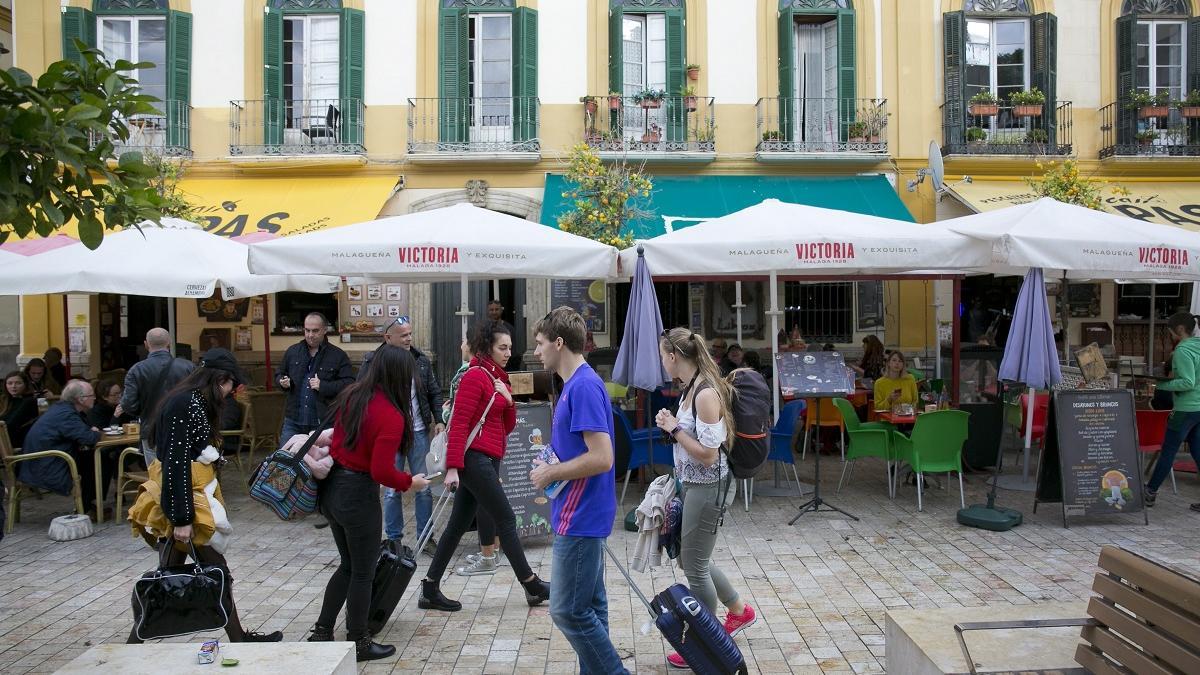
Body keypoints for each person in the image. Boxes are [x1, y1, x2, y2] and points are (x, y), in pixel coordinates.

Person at [128, 355, 282, 645]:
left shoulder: (191, 400)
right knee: (218, 572)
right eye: (230, 386)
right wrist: (182, 519)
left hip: (188, 498)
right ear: (218, 380)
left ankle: (136, 640)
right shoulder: (186, 403)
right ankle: (237, 638)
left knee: (170, 575)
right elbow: (176, 462)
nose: (229, 393)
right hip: (186, 504)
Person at [307, 345, 432, 660]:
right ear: (400, 376)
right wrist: (410, 482)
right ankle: (359, 642)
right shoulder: (390, 414)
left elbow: (337, 441)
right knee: (363, 571)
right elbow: (380, 470)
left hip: (333, 489)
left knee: (348, 566)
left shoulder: (352, 395)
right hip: (358, 494)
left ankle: (322, 631)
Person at [420, 320, 550, 612]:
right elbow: (460, 424)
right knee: (505, 519)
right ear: (487, 347)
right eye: (502, 347)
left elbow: (506, 426)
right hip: (474, 459)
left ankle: (429, 587)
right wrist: (453, 468)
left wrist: (510, 402)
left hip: (487, 458)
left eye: (510, 348)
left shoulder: (498, 378)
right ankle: (532, 585)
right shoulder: (475, 376)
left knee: (456, 525)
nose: (507, 353)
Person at [529, 307, 626, 674]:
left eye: (539, 343)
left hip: (581, 513)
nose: (536, 351)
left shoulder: (583, 385)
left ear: (558, 342)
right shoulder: (575, 384)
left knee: (567, 610)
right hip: (580, 510)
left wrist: (551, 471)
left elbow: (602, 457)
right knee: (590, 606)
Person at [654, 329, 757, 669]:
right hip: (693, 484)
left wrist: (673, 429)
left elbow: (710, 456)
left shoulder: (704, 394)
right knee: (691, 558)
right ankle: (739, 611)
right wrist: (674, 427)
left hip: (708, 486)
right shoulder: (690, 389)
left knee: (694, 567)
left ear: (673, 356)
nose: (660, 361)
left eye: (661, 355)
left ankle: (705, 639)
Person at [359, 316, 444, 554]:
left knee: (425, 486)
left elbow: (434, 393)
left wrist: (440, 421)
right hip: (390, 434)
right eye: (403, 335)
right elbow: (361, 395)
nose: (409, 339)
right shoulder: (373, 362)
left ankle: (426, 538)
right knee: (390, 488)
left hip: (417, 432)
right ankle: (393, 539)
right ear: (388, 337)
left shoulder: (421, 360)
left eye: (410, 333)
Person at [443, 335, 501, 577]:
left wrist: (445, 412)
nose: (460, 344)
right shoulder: (491, 374)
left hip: (473, 450)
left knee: (492, 509)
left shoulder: (468, 374)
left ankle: (493, 558)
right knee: (472, 511)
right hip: (487, 449)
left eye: (464, 341)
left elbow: (458, 418)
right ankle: (491, 553)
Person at [17, 380, 114, 520]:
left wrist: (91, 431)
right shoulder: (66, 414)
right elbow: (88, 438)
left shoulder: (64, 409)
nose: (94, 398)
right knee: (100, 459)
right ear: (80, 399)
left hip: (42, 461)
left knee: (97, 458)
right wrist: (96, 432)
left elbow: (83, 433)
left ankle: (90, 505)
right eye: (91, 395)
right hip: (45, 465)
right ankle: (88, 506)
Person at [1144, 312, 1200, 510]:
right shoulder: (1198, 346)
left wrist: (1159, 385)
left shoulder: (1183, 351)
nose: (1169, 336)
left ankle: (1150, 492)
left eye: (1170, 332)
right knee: (1197, 450)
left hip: (1185, 408)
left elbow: (1187, 382)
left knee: (1168, 450)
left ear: (1180, 330)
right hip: (1199, 408)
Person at [116, 328, 195, 463]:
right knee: (184, 473)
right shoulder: (189, 367)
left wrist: (143, 411)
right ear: (169, 343)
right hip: (184, 429)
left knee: (156, 476)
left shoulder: (137, 370)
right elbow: (199, 398)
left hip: (152, 429)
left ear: (146, 344)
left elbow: (129, 404)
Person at [275, 313, 354, 440]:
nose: (310, 335)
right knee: (286, 458)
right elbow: (279, 373)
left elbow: (350, 384)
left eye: (315, 331)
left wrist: (323, 386)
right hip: (293, 421)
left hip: (322, 423)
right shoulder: (293, 351)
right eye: (307, 330)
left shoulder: (338, 355)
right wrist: (282, 381)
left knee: (320, 460)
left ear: (324, 330)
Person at [1, 371, 37, 448]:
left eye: (18, 383)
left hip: (19, 443)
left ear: (25, 385)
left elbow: (11, 424)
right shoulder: (7, 400)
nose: (13, 386)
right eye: (10, 383)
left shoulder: (29, 401)